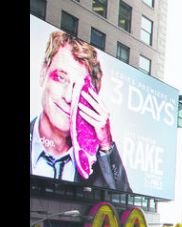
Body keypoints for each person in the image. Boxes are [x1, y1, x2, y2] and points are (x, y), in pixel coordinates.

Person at [31, 31, 131, 192]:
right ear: (43, 72)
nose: (69, 97)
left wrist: (106, 144)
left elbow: (124, 200)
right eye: (61, 78)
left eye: (80, 90)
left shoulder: (96, 163)